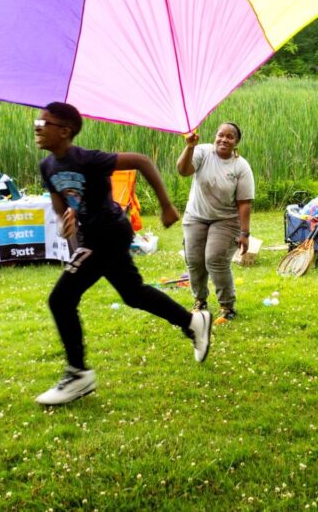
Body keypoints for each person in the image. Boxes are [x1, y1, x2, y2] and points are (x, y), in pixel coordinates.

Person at [34, 102, 212, 406]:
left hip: (110, 232)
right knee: (133, 294)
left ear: (64, 131)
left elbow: (142, 161)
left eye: (43, 125)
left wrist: (167, 205)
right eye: (36, 124)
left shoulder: (88, 159)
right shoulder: (48, 166)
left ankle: (78, 373)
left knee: (61, 299)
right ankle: (193, 322)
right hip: (90, 236)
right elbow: (60, 205)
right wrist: (66, 222)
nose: (37, 129)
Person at [176, 123, 254, 323]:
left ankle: (227, 306)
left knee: (215, 259)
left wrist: (245, 233)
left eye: (230, 137)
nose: (224, 140)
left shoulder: (240, 166)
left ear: (236, 142)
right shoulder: (202, 152)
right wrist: (190, 146)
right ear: (215, 136)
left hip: (226, 219)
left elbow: (244, 203)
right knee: (194, 260)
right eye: (221, 135)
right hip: (196, 216)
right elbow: (183, 170)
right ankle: (200, 301)